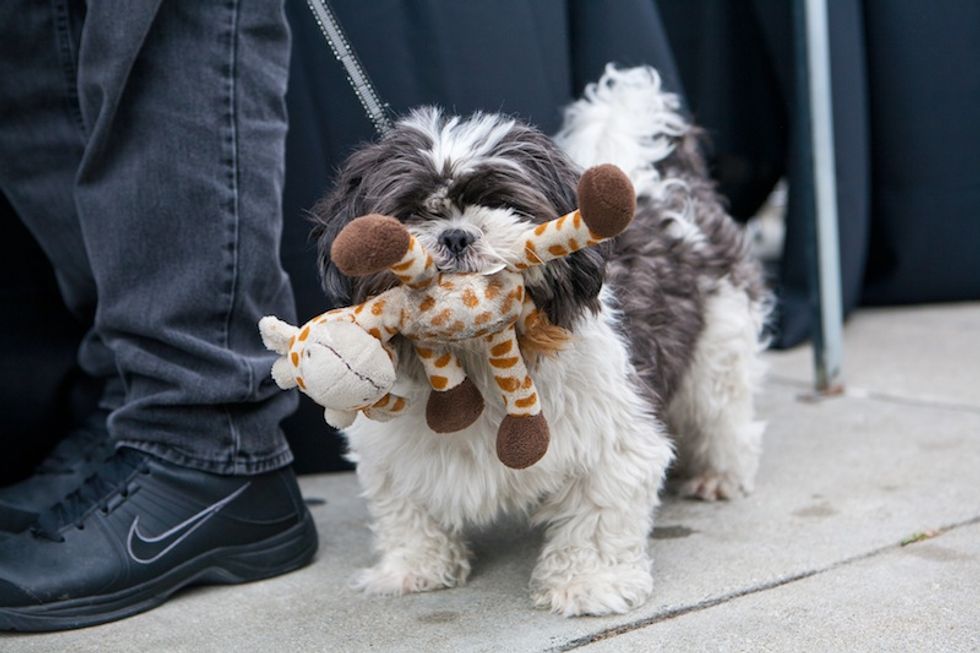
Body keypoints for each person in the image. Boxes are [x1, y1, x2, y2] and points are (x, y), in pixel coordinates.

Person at [0, 1, 316, 631]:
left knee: (158, 20)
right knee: (30, 34)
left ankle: (205, 438)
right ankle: (130, 397)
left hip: (208, 426)